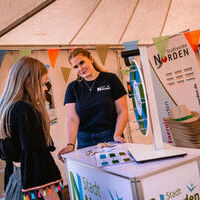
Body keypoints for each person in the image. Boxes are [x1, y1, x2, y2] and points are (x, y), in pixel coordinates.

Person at [0, 57, 63, 200]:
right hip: (32, 184)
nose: (45, 88)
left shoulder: (5, 108)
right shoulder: (25, 110)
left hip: (15, 181)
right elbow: (36, 157)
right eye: (42, 84)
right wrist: (52, 194)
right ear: (29, 82)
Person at [58, 48, 128, 159]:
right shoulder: (73, 88)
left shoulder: (110, 79)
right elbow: (72, 118)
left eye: (82, 62)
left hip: (109, 135)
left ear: (90, 58)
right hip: (84, 139)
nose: (80, 68)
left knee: (114, 172)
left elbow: (122, 110)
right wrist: (70, 144)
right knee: (90, 174)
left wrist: (117, 134)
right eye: (76, 66)